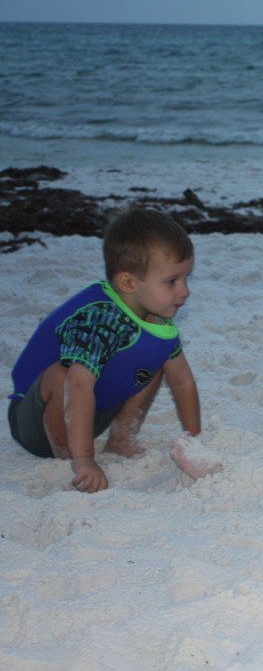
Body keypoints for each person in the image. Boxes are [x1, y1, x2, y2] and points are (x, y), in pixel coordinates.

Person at [7, 207, 201, 493]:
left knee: (156, 356)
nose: (184, 291)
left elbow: (182, 381)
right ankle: (72, 456)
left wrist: (195, 442)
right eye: (172, 281)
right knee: (64, 374)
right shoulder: (99, 317)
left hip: (91, 414)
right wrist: (85, 459)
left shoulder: (155, 319)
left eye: (186, 278)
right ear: (128, 283)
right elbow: (79, 384)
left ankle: (121, 439)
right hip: (36, 422)